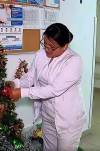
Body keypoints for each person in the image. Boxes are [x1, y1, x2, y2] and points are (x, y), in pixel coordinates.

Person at [9, 23, 86, 151]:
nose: (47, 49)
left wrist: (21, 93)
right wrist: (15, 84)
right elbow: (30, 78)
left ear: (65, 46)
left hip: (68, 121)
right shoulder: (40, 55)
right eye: (45, 44)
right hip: (48, 115)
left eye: (52, 47)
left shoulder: (74, 61)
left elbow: (54, 89)